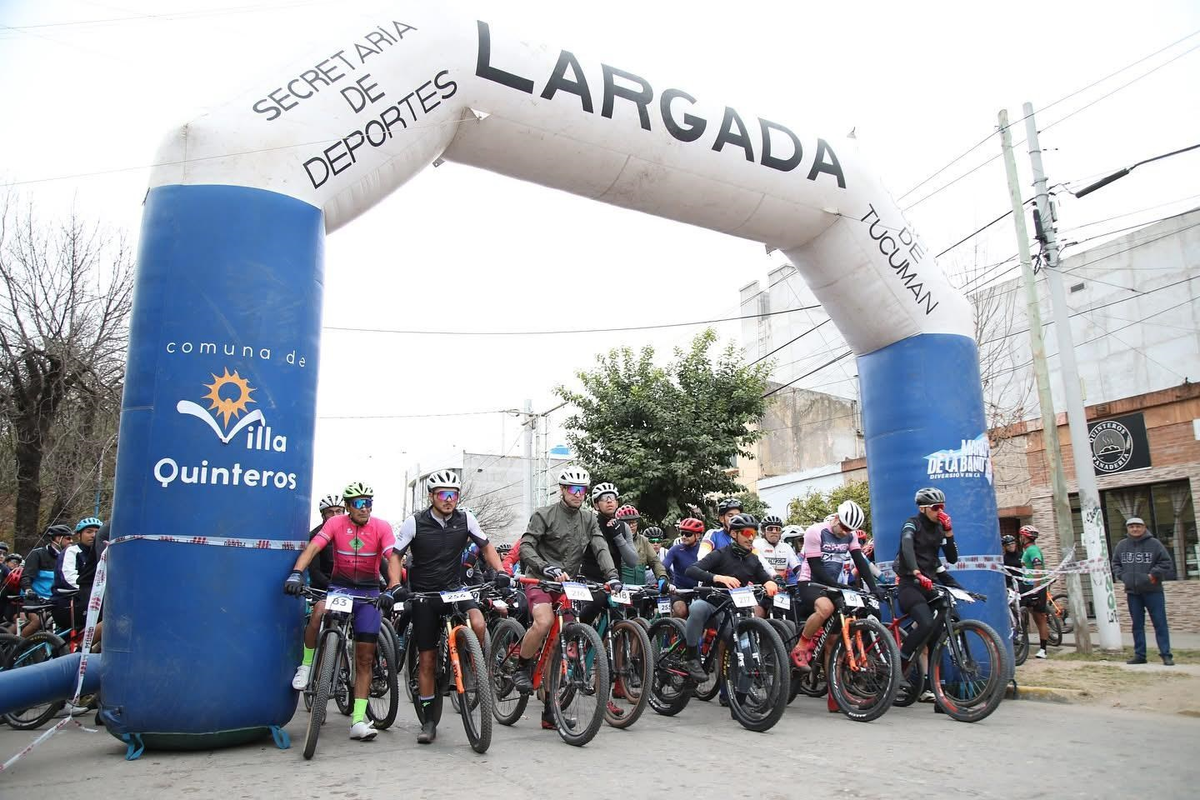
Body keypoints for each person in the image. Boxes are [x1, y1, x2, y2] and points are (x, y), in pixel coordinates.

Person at [389, 469, 507, 743]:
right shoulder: (414, 522)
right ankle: (429, 721)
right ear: (431, 496)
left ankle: (469, 664)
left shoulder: (466, 519)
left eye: (453, 494)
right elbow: (395, 556)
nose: (448, 499)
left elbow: (486, 546)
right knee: (427, 659)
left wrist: (501, 571)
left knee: (478, 621)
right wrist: (395, 585)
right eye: (443, 494)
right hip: (425, 594)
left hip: (454, 589)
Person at [284, 481, 402, 742]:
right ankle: (306, 665)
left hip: (369, 593)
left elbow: (392, 557)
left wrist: (393, 586)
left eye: (368, 503)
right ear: (348, 506)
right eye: (359, 503)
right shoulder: (336, 524)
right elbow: (313, 548)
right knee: (318, 611)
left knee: (364, 658)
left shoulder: (381, 526)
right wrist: (296, 573)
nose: (364, 508)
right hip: (340, 589)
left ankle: (358, 720)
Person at [511, 465, 620, 730]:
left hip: (566, 585)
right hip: (539, 579)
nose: (578, 494)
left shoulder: (589, 519)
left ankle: (550, 712)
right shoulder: (544, 514)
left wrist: (612, 576)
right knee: (544, 621)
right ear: (562, 489)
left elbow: (600, 547)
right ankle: (522, 667)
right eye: (573, 489)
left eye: (582, 489)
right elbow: (526, 546)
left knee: (560, 642)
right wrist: (544, 567)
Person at [681, 513, 778, 682]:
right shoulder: (720, 554)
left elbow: (764, 577)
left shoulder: (753, 560)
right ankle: (691, 658)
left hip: (734, 611)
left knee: (743, 646)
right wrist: (717, 577)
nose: (751, 538)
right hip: (712, 604)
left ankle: (736, 692)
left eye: (754, 534)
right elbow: (691, 570)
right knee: (696, 608)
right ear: (734, 534)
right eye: (747, 533)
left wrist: (771, 583)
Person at [789, 501, 883, 672]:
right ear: (837, 518)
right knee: (826, 608)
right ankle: (801, 646)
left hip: (833, 585)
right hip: (811, 581)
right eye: (845, 527)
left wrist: (873, 587)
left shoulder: (850, 535)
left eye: (850, 530)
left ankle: (834, 686)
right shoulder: (815, 531)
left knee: (833, 642)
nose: (846, 532)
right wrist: (838, 585)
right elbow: (816, 567)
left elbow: (860, 561)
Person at [892, 487, 961, 676]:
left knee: (938, 631)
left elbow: (952, 558)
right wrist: (916, 572)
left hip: (929, 585)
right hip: (910, 585)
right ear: (922, 508)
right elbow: (906, 546)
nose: (940, 512)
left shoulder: (939, 529)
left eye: (942, 507)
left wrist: (949, 532)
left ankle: (935, 686)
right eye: (936, 507)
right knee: (926, 623)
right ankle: (899, 666)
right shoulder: (912, 524)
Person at [1111, 516, 1175, 666]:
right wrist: (1123, 576)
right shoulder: (1121, 545)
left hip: (1153, 591)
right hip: (1132, 592)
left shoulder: (1155, 544)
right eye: (1131, 526)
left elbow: (1166, 563)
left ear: (1144, 527)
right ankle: (1140, 655)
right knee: (1137, 625)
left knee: (1160, 623)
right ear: (1128, 529)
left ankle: (1166, 655)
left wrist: (1152, 575)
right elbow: (1115, 563)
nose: (1135, 529)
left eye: (1138, 526)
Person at [51, 517, 103, 643]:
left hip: (89, 599)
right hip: (67, 602)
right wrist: (94, 591)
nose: (93, 535)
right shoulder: (72, 551)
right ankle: (82, 648)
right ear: (79, 535)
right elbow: (68, 578)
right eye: (89, 532)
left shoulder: (102, 554)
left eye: (97, 532)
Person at [20, 524, 74, 636]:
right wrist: (28, 590)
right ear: (58, 538)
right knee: (37, 621)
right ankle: (18, 645)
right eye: (68, 538)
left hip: (55, 599)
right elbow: (26, 576)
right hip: (35, 599)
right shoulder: (37, 554)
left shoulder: (69, 557)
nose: (71, 541)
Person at [1018, 525, 1051, 659]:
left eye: (1021, 536)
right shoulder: (1027, 550)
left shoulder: (1033, 550)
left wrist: (1035, 590)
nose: (1020, 538)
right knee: (1029, 614)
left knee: (1039, 618)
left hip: (1035, 587)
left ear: (1024, 537)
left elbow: (1038, 569)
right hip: (1027, 585)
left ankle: (1043, 649)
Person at [615, 505, 668, 588]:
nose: (631, 526)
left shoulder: (643, 541)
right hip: (620, 588)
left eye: (634, 522)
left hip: (640, 588)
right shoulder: (614, 540)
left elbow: (655, 562)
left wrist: (662, 577)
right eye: (627, 523)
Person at [662, 517, 705, 618]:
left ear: (698, 535)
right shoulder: (675, 550)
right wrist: (665, 582)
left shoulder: (704, 550)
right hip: (679, 591)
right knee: (680, 611)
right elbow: (663, 567)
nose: (684, 537)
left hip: (699, 590)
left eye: (688, 534)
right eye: (682, 533)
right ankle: (672, 626)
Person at [306, 493, 343, 591]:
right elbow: (314, 571)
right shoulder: (315, 535)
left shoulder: (352, 532)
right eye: (330, 512)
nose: (335, 515)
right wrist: (333, 587)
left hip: (348, 586)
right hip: (324, 588)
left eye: (338, 511)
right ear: (323, 515)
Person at [754, 515, 800, 585]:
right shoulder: (756, 544)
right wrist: (775, 576)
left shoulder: (786, 547)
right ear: (763, 531)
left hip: (782, 586)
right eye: (770, 528)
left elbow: (796, 565)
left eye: (778, 529)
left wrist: (803, 576)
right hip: (761, 585)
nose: (774, 531)